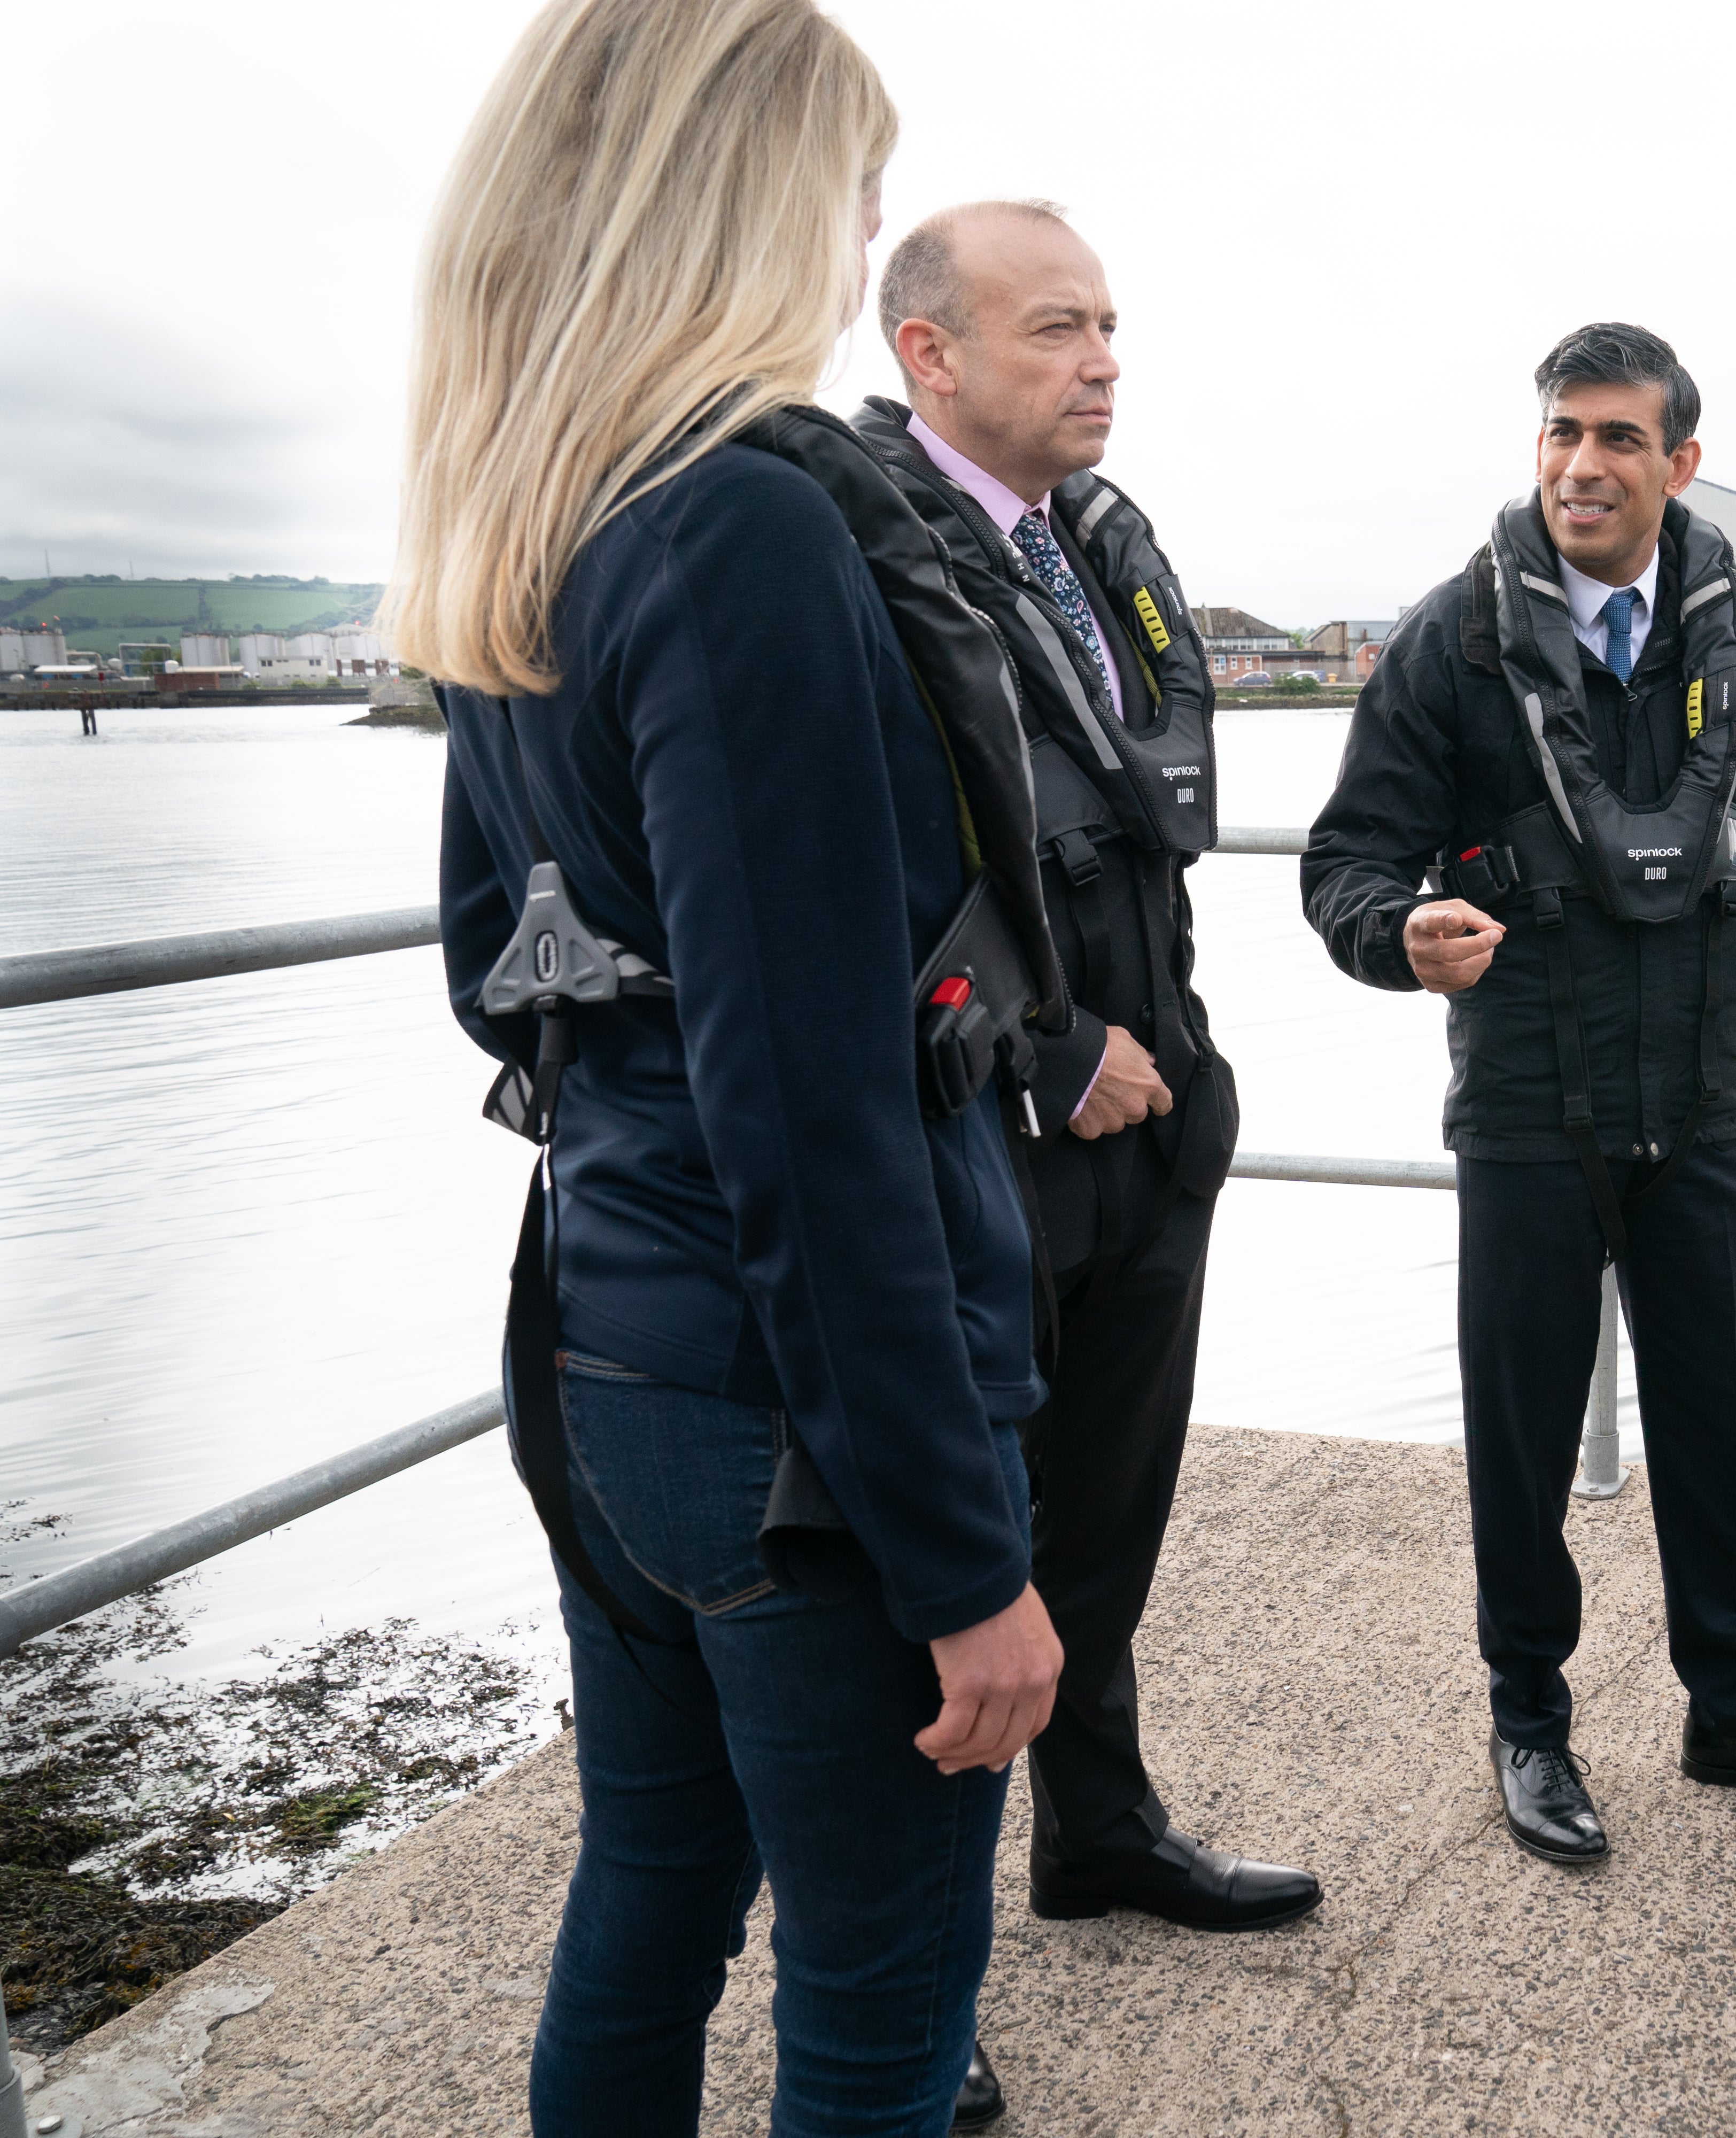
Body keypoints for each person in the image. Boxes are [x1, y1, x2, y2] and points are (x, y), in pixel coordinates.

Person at [399, 5, 1061, 2131]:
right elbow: (818, 1114)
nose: (861, 233)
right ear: (736, 193)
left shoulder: (526, 521)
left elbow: (496, 979)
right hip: (799, 1433)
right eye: (846, 187)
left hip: (608, 1363)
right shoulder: (745, 526)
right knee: (877, 2003)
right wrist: (965, 1566)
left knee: (652, 1900)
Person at [1303, 323, 1736, 1865]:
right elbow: (1349, 862)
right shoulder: (1451, 643)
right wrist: (1394, 937)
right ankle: (1529, 1727)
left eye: (1616, 438)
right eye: (1559, 434)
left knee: (1711, 1423)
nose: (1581, 466)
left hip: (1699, 1106)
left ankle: (1732, 1712)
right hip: (1529, 1112)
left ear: (1681, 461)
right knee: (1524, 1438)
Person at [862, 200, 1312, 1933]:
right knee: (960, 1547)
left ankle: (1101, 1831)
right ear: (932, 353)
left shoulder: (1087, 550)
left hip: (1150, 1120)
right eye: (1055, 327)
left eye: (1108, 325)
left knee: (1111, 1516)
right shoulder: (859, 554)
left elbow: (1128, 833)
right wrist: (1045, 1058)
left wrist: (1177, 1077)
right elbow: (871, 882)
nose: (1103, 361)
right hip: (986, 1130)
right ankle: (915, 1964)